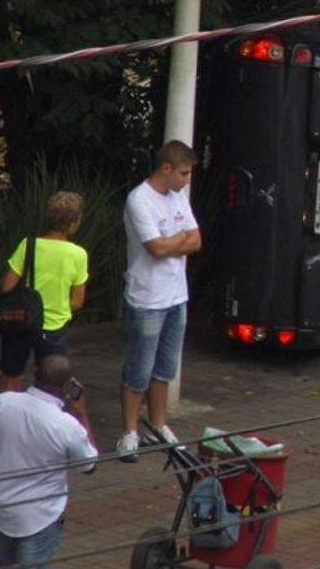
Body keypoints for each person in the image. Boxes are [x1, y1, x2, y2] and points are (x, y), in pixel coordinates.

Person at [116, 139, 201, 461]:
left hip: (177, 295)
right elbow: (156, 248)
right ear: (166, 168)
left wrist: (174, 241)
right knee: (139, 368)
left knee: (165, 367)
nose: (186, 179)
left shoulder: (178, 196)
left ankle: (159, 424)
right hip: (147, 297)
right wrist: (178, 240)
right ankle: (129, 432)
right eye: (183, 172)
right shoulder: (139, 200)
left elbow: (196, 240)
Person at [0, 355, 98, 569]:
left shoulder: (2, 402)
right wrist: (81, 412)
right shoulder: (66, 425)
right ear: (67, 386)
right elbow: (89, 464)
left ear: (35, 373)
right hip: (40, 517)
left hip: (2, 508)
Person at [0, 191, 89, 393]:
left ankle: (8, 416)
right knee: (51, 380)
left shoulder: (28, 244)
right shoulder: (78, 255)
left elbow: (7, 286)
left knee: (11, 375)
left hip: (21, 320)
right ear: (74, 222)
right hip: (53, 326)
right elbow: (77, 301)